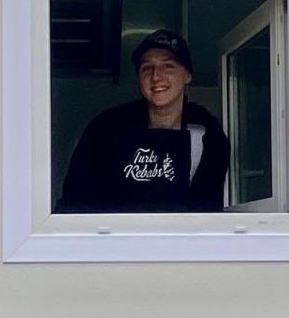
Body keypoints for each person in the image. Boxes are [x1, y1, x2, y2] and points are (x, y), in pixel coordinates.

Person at [58, 30, 230, 212]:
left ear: (187, 75)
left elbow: (208, 207)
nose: (156, 76)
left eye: (168, 66)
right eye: (147, 68)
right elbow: (75, 200)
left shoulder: (207, 130)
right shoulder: (106, 127)